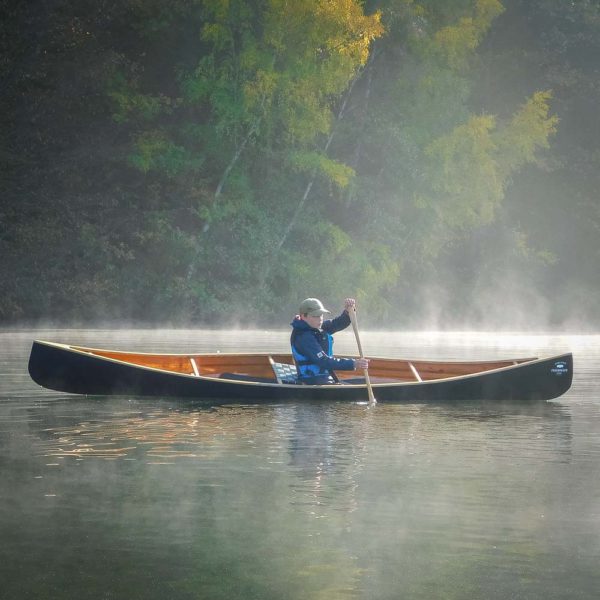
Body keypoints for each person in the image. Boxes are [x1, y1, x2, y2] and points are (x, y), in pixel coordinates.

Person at [290, 297, 369, 385]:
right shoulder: (303, 337)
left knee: (362, 381)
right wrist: (353, 363)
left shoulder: (316, 327)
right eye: (315, 316)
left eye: (321, 315)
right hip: (311, 380)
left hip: (323, 377)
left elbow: (337, 323)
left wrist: (347, 311)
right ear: (303, 316)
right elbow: (323, 361)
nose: (320, 318)